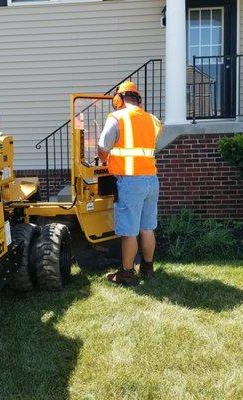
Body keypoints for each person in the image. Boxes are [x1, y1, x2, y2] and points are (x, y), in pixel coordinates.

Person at [97, 81, 161, 285]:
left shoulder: (116, 117)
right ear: (138, 99)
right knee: (147, 228)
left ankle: (126, 274)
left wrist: (104, 160)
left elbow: (103, 146)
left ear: (119, 98)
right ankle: (148, 269)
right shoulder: (152, 119)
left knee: (129, 231)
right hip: (151, 180)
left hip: (130, 181)